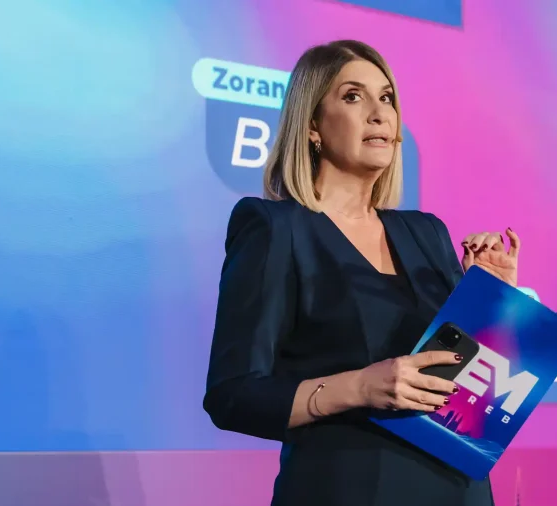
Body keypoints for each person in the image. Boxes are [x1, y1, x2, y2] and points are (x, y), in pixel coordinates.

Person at [203, 40, 521, 506]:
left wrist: (492, 303)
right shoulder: (275, 228)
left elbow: (469, 393)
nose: (379, 114)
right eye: (353, 96)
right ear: (312, 125)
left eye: (386, 98)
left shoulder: (427, 232)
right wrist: (359, 387)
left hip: (460, 490)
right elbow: (233, 395)